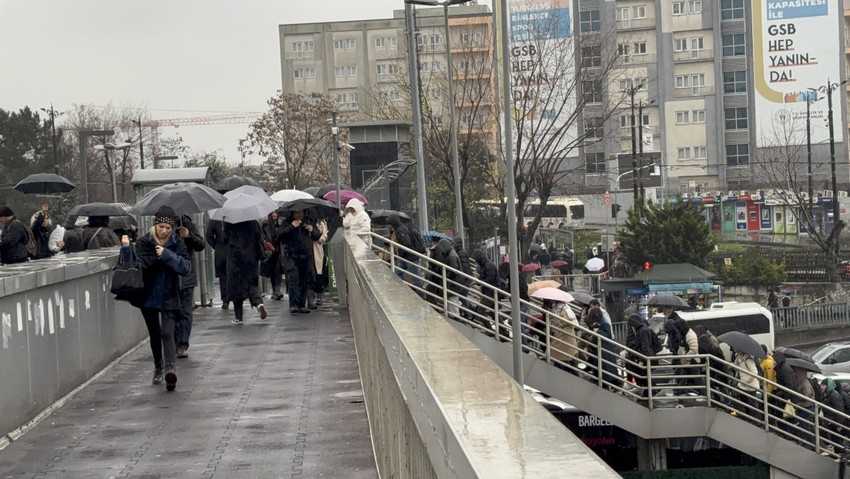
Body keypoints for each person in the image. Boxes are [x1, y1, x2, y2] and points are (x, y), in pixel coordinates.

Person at [128, 206, 191, 391]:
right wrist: (127, 248)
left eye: (167, 228)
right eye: (160, 226)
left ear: (172, 229)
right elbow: (139, 263)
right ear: (155, 225)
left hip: (170, 293)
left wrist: (167, 255)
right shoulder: (143, 243)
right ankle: (158, 366)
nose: (163, 231)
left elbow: (185, 267)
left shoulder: (177, 243)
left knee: (167, 332)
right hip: (147, 294)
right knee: (154, 333)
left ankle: (170, 368)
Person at [223, 219, 268, 324]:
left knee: (236, 287)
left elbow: (225, 239)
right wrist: (260, 255)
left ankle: (239, 317)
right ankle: (258, 303)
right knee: (251, 284)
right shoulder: (253, 222)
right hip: (250, 258)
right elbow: (259, 239)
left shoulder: (229, 222)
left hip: (235, 259)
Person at [279, 209, 320, 314]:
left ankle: (302, 304)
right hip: (291, 255)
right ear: (292, 213)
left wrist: (312, 230)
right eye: (297, 213)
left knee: (304, 280)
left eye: (301, 212)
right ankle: (294, 304)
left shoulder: (308, 221)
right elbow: (280, 235)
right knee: (294, 279)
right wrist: (292, 226)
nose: (299, 215)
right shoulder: (286, 222)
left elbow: (317, 236)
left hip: (305, 255)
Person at [174, 215, 205, 359]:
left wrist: (188, 236)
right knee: (172, 310)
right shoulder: (162, 225)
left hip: (187, 274)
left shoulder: (188, 223)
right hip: (171, 275)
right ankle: (174, 342)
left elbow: (200, 245)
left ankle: (182, 344)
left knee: (185, 310)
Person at [386, 213, 424, 294]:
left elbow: (407, 243)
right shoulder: (398, 229)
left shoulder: (401, 230)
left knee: (416, 278)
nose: (390, 226)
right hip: (405, 258)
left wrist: (401, 252)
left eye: (390, 224)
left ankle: (422, 297)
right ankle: (402, 290)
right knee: (398, 274)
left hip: (410, 258)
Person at [428, 237, 463, 320]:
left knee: (452, 302)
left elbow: (453, 270)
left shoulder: (452, 256)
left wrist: (445, 277)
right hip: (453, 283)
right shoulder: (450, 253)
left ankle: (456, 319)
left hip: (454, 284)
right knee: (452, 301)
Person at [544, 298, 579, 374]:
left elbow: (565, 321)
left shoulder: (564, 309)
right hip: (565, 333)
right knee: (566, 353)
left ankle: (563, 369)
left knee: (560, 351)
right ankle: (569, 370)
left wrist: (557, 322)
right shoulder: (563, 308)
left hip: (565, 333)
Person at [471, 249, 500, 331]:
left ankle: (489, 329)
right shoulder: (485, 265)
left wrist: (480, 282)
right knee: (494, 313)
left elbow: (490, 279)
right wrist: (478, 281)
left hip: (491, 292)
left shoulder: (488, 265)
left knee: (481, 310)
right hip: (490, 292)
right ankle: (502, 331)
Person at [205, 219, 229, 309]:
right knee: (226, 276)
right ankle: (230, 299)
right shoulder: (216, 219)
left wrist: (216, 246)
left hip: (222, 251)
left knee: (224, 278)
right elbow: (209, 235)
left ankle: (226, 300)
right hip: (227, 251)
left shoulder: (215, 218)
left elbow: (209, 235)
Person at [260, 211, 284, 300]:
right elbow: (262, 237)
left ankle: (277, 291)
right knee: (272, 271)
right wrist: (266, 244)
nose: (274, 215)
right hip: (269, 251)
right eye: (273, 213)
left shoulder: (281, 224)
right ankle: (275, 291)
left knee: (277, 270)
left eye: (276, 213)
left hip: (279, 250)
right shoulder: (265, 225)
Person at [307, 213, 329, 308]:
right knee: (309, 274)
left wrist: (317, 237)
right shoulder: (305, 222)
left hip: (317, 251)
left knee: (318, 273)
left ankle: (319, 295)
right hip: (307, 251)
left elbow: (324, 237)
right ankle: (310, 297)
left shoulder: (321, 223)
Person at [818, 377, 845, 454]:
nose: (821, 386)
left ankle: (839, 454)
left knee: (835, 438)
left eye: (823, 385)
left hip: (833, 419)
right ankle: (832, 450)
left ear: (827, 386)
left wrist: (839, 424)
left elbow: (839, 409)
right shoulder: (827, 394)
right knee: (826, 434)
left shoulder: (834, 395)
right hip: (828, 419)